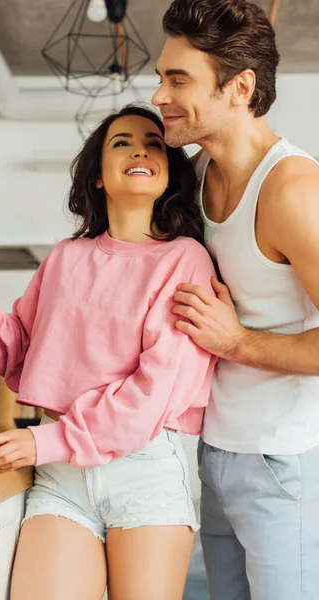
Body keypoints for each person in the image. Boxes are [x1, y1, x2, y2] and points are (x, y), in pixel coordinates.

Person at [0, 105, 217, 600]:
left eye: (155, 143)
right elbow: (25, 343)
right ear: (96, 178)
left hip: (142, 472)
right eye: (121, 142)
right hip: (61, 480)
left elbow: (152, 393)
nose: (140, 149)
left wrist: (47, 443)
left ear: (170, 171)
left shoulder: (184, 259)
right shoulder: (66, 257)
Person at [152, 1, 319, 599]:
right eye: (161, 76)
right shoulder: (194, 173)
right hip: (213, 454)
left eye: (179, 79)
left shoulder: (295, 191)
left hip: (279, 463)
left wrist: (237, 342)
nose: (159, 95)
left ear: (239, 87)